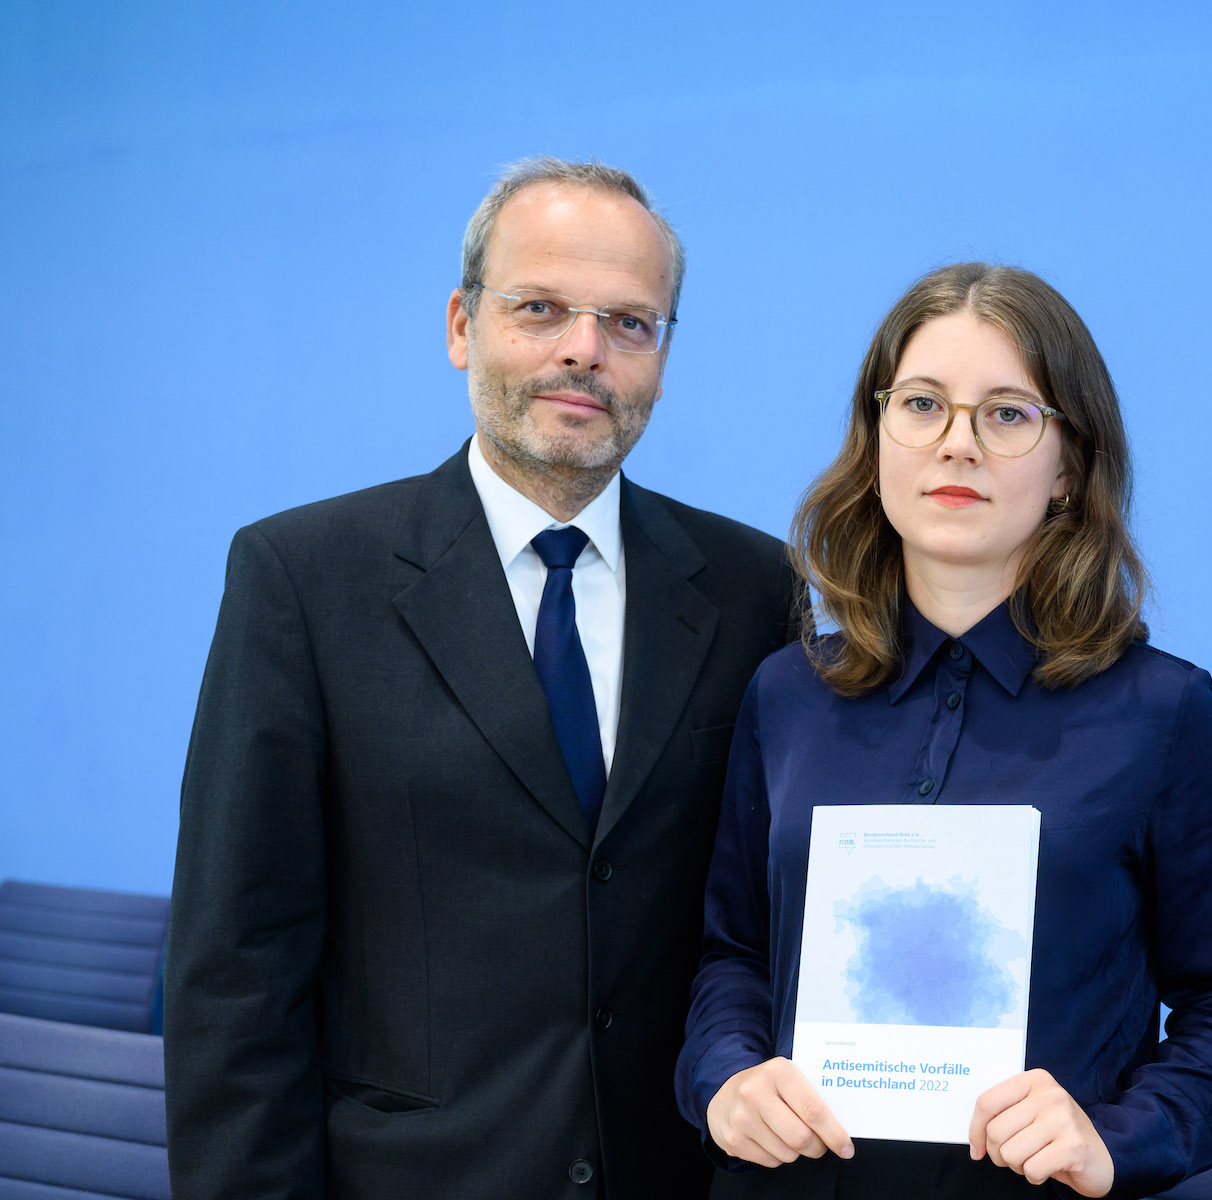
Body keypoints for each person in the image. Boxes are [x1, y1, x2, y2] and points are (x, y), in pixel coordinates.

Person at [165, 158, 799, 1198]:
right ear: (462, 324)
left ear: (663, 354)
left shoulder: (751, 586)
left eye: (629, 323)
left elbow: (758, 923)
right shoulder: (304, 578)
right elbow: (237, 968)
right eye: (540, 307)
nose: (583, 351)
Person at [674, 263, 1212, 1198]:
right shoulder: (786, 693)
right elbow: (736, 956)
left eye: (1007, 415)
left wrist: (1119, 1135)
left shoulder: (1162, 715)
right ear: (877, 438)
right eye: (922, 405)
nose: (957, 445)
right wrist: (724, 1080)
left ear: (1069, 469)